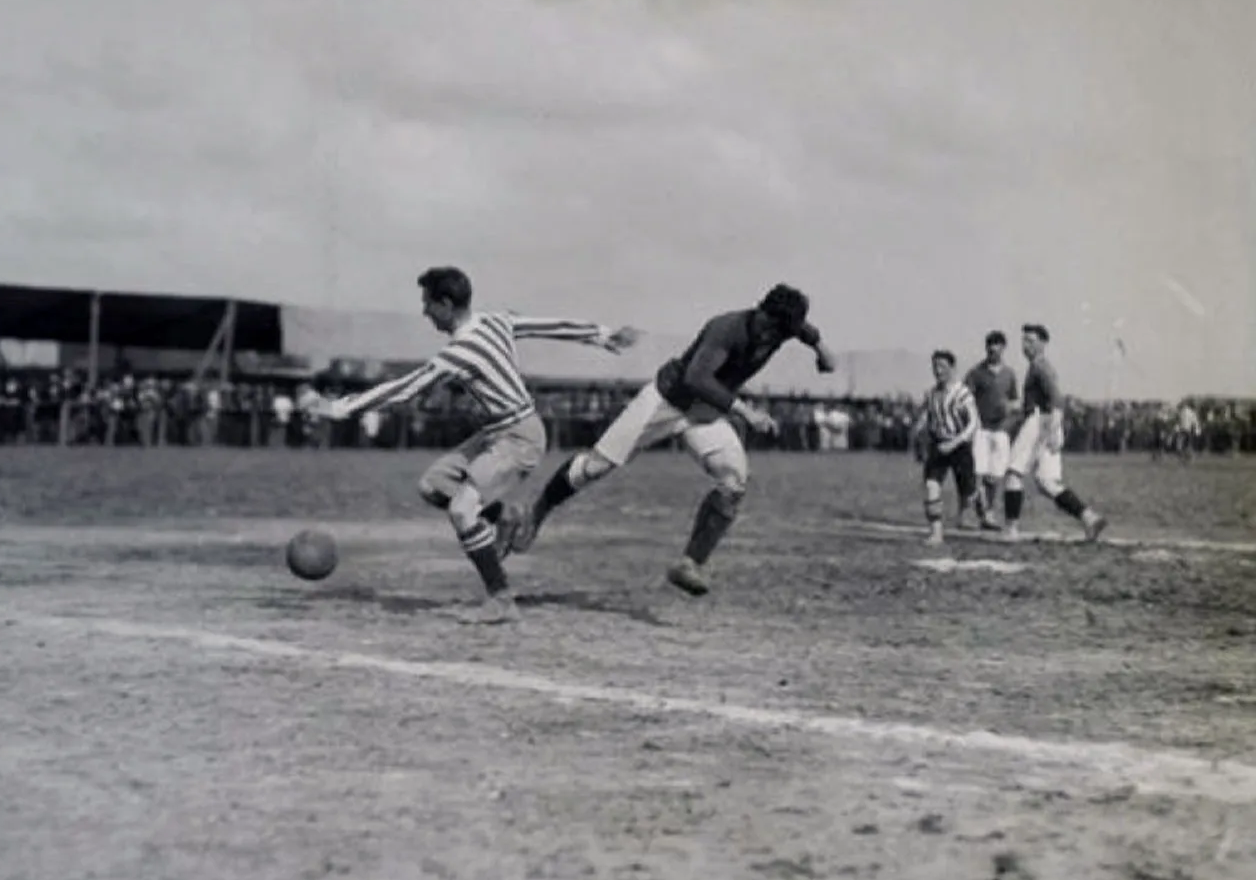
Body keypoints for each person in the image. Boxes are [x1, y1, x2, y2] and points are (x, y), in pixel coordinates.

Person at [316, 267, 637, 623]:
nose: (424, 312)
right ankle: (507, 516)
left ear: (446, 303)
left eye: (428, 304)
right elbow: (550, 325)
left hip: (519, 437)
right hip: (494, 433)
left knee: (462, 510)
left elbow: (406, 387)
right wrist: (602, 334)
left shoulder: (459, 353)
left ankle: (500, 599)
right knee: (433, 486)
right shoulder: (495, 321)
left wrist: (338, 407)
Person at [506, 284, 836, 595]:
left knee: (734, 479)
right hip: (666, 401)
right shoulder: (727, 328)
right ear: (761, 311)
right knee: (596, 466)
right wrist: (745, 411)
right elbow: (696, 377)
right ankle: (537, 513)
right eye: (773, 327)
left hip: (704, 415)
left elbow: (809, 334)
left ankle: (690, 563)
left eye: (784, 332)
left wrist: (823, 353)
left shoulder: (785, 328)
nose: (774, 336)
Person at [1004, 324, 1106, 542]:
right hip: (1047, 423)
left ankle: (1011, 529)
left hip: (1040, 422)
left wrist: (1051, 429)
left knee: (1014, 473)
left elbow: (1057, 399)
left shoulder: (1041, 367)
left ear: (1042, 343)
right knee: (1046, 481)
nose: (1025, 345)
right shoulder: (1038, 367)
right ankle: (1089, 517)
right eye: (1024, 340)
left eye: (1030, 341)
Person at [913, 350, 980, 545]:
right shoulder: (932, 393)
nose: (938, 370)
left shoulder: (963, 393)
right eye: (935, 366)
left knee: (967, 494)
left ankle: (976, 498)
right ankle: (936, 533)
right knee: (931, 485)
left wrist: (955, 442)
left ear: (952, 368)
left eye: (942, 366)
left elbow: (973, 424)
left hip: (959, 446)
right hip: (939, 446)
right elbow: (927, 417)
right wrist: (918, 434)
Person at [963, 330, 1019, 528]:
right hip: (981, 429)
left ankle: (988, 512)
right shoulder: (976, 373)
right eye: (990, 344)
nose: (993, 348)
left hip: (1001, 430)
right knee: (978, 472)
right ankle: (980, 513)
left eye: (997, 344)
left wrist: (1010, 409)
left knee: (995, 476)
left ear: (1003, 348)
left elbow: (1015, 401)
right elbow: (965, 400)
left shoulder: (1009, 374)